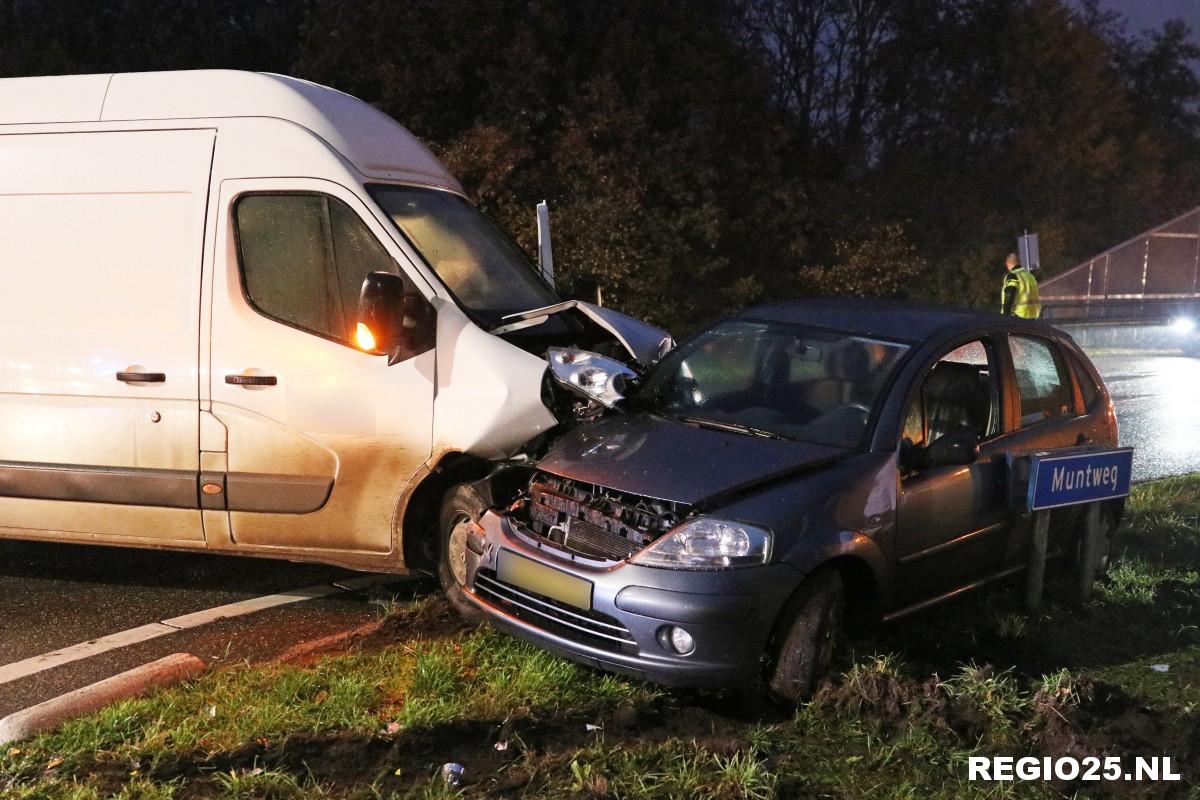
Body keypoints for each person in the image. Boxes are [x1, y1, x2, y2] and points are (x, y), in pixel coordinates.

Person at [1000, 252, 1041, 318]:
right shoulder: (1030, 276)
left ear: (1007, 264)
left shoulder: (1013, 275)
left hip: (1018, 316)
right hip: (1033, 316)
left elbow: (1009, 293)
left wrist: (1006, 313)